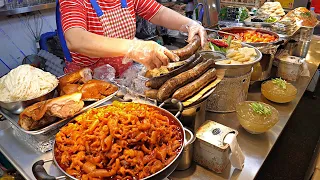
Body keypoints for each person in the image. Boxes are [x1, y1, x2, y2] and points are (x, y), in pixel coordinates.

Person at [57, 0, 207, 76]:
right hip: (87, 84)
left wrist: (189, 24)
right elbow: (75, 39)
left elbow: (158, 12)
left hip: (124, 77)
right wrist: (133, 47)